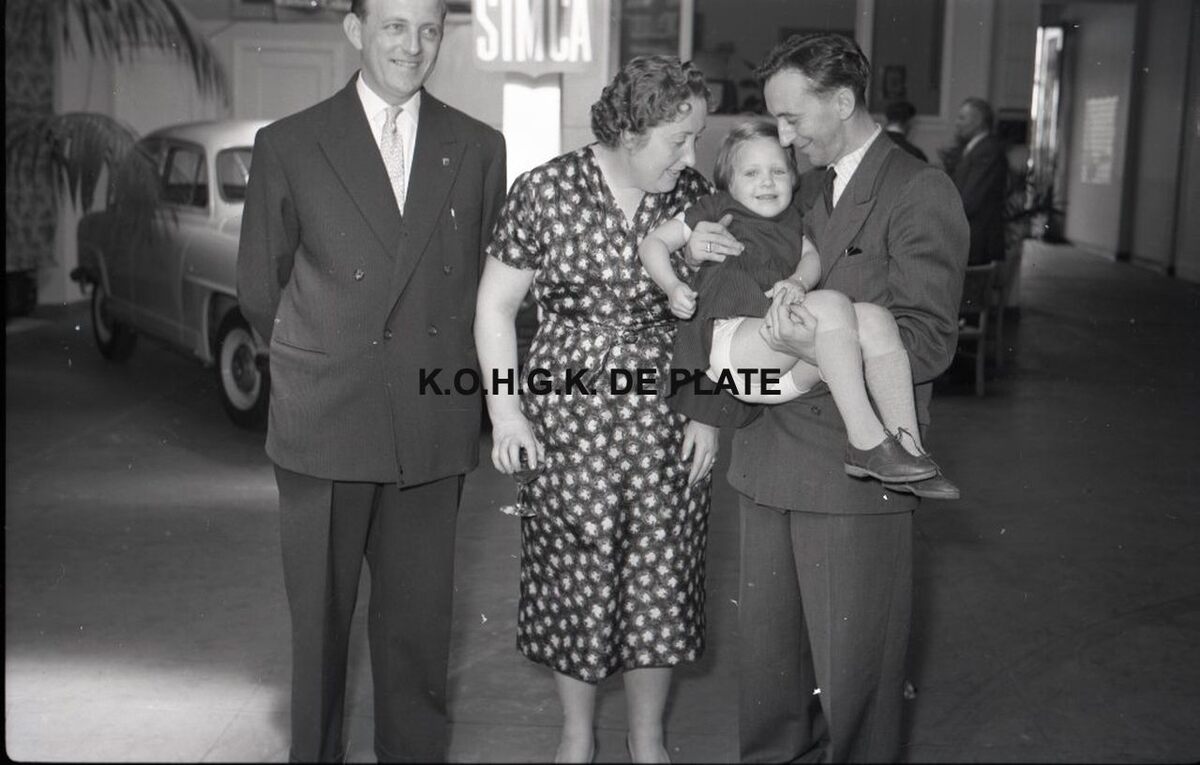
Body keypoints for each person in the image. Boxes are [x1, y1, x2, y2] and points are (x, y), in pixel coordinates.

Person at [672, 33, 968, 762]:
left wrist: (810, 354)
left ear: (841, 102)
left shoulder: (919, 190)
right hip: (766, 459)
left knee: (854, 689)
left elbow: (929, 341)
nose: (783, 137)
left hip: (850, 479)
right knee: (769, 690)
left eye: (792, 118)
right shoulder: (797, 185)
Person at [236, 0, 507, 760]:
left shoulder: (478, 146)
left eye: (429, 29)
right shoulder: (289, 143)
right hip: (324, 423)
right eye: (394, 26)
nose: (412, 46)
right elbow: (259, 286)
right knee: (319, 636)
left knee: (418, 640)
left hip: (430, 426)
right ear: (356, 31)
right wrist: (328, 356)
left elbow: (487, 289)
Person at [474, 55, 719, 764]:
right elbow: (495, 306)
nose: (691, 156)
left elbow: (721, 314)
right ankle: (576, 734)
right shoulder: (543, 191)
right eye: (679, 140)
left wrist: (708, 411)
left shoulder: (694, 197)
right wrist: (506, 413)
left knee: (659, 576)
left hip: (667, 420)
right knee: (572, 574)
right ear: (632, 131)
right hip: (565, 422)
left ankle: (648, 738)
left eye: (696, 139)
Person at [639, 120, 956, 494]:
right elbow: (653, 243)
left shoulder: (794, 220)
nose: (766, 182)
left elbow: (811, 259)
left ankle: (910, 453)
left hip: (785, 374)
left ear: (793, 177)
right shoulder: (716, 208)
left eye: (777, 171)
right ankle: (866, 441)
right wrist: (673, 285)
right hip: (734, 352)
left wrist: (797, 282)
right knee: (833, 304)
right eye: (751, 173)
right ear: (728, 182)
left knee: (875, 318)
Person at [952, 97, 1008, 265]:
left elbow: (970, 200)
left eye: (962, 118)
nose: (957, 123)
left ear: (978, 121)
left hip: (977, 243)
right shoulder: (978, 149)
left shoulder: (987, 151)